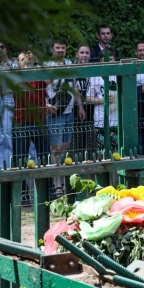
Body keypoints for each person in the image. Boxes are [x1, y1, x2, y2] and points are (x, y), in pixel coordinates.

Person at [44, 38, 84, 196]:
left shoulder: (69, 62)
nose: (61, 50)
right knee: (55, 149)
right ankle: (57, 185)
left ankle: (62, 181)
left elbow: (74, 85)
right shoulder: (47, 65)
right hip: (54, 112)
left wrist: (80, 106)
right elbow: (42, 85)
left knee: (65, 147)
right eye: (58, 47)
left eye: (63, 48)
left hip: (69, 112)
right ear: (52, 49)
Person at [14, 51, 51, 205]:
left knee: (45, 158)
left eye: (28, 59)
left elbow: (50, 78)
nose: (26, 61)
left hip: (39, 122)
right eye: (22, 60)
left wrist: (38, 61)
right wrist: (24, 67)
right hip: (21, 123)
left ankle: (45, 193)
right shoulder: (16, 77)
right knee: (20, 160)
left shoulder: (38, 75)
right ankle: (23, 196)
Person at [86, 48, 119, 155]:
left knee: (115, 151)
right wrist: (102, 100)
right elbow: (87, 98)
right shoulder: (95, 77)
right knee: (101, 151)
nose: (109, 61)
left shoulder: (119, 75)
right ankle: (101, 172)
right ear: (101, 60)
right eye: (106, 59)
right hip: (100, 120)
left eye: (111, 59)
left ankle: (115, 172)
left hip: (116, 119)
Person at [0, 41, 18, 170]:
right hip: (6, 99)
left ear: (6, 49)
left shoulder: (15, 63)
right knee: (4, 134)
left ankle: (30, 161)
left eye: (2, 46)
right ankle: (3, 165)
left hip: (20, 98)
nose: (0, 49)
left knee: (25, 130)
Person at [71, 44, 95, 156]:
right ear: (77, 54)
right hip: (75, 109)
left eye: (87, 53)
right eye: (82, 53)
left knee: (90, 142)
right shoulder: (72, 69)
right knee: (76, 141)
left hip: (91, 109)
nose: (84, 55)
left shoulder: (93, 70)